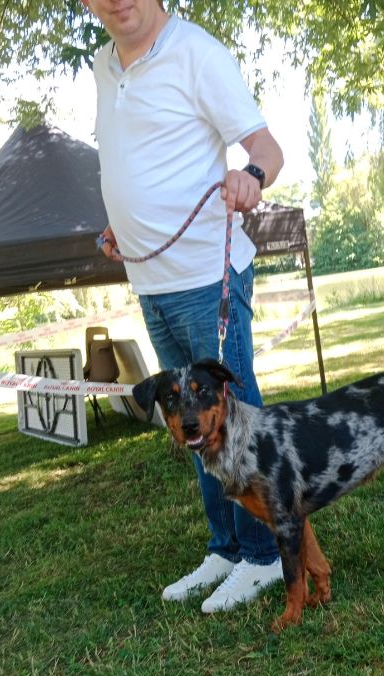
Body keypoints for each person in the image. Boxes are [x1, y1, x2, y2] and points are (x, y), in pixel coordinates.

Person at [84, 0, 285, 613]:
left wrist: (250, 174)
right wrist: (125, 228)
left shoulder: (196, 52)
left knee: (233, 419)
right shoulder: (102, 65)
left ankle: (265, 555)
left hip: (205, 276)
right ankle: (225, 547)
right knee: (189, 426)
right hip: (150, 281)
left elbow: (266, 146)